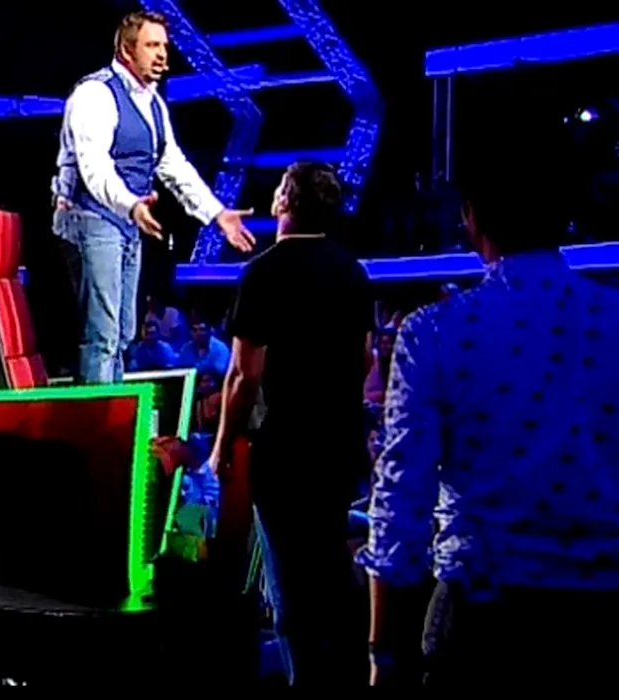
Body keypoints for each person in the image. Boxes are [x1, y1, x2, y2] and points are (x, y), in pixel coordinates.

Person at [358, 119, 619, 688]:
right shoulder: (612, 319)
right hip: (602, 615)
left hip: (481, 614)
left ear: (471, 216)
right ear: (564, 214)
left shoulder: (433, 331)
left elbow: (401, 498)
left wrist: (383, 651)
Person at [211, 162, 375, 687]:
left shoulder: (263, 272)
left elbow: (244, 374)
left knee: (290, 591)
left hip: (284, 453)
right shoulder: (352, 272)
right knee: (327, 570)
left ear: (284, 201)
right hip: (339, 447)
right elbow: (365, 359)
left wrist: (223, 446)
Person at [50, 10, 256, 385]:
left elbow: (173, 164)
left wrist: (217, 214)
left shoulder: (153, 102)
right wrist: (131, 204)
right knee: (104, 333)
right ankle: (97, 415)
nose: (162, 54)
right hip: (89, 216)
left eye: (164, 45)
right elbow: (94, 168)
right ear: (127, 50)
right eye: (151, 45)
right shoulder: (94, 94)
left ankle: (113, 406)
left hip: (127, 221)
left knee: (124, 332)